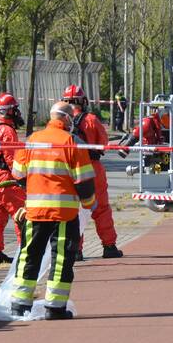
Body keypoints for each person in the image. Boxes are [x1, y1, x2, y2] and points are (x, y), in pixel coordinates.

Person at [9, 102, 96, 320]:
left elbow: (18, 173)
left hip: (35, 211)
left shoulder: (31, 140)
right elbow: (84, 180)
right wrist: (89, 204)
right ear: (67, 119)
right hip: (64, 214)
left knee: (29, 255)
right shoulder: (72, 142)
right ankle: (55, 308)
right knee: (62, 259)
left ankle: (19, 305)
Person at [62, 84, 122, 259]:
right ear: (83, 101)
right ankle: (109, 246)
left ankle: (76, 250)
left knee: (75, 211)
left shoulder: (63, 120)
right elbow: (104, 144)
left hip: (71, 170)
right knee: (101, 209)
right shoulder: (91, 120)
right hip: (93, 168)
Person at [0, 93, 26, 266]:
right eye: (15, 109)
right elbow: (11, 158)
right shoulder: (6, 130)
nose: (18, 113)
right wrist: (22, 178)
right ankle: (26, 251)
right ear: (9, 111)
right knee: (21, 213)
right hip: (5, 177)